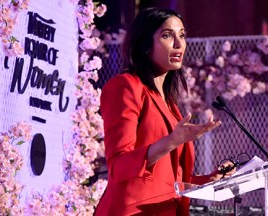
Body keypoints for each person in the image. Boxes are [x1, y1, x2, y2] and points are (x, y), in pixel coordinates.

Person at [95, 8, 234, 216]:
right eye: (167, 35)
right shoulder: (125, 86)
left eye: (182, 35)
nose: (179, 44)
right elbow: (118, 167)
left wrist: (210, 180)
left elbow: (168, 181)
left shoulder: (170, 104)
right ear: (144, 44)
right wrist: (172, 140)